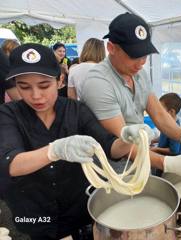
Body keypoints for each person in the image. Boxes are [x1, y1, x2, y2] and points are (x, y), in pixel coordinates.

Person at [0, 43, 153, 240]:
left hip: (77, 209)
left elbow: (109, 146)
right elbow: (10, 163)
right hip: (34, 213)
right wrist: (55, 150)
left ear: (60, 80)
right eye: (24, 87)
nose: (36, 95)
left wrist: (128, 139)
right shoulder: (9, 114)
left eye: (44, 85)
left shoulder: (76, 110)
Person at [82, 12, 181, 180]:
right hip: (113, 171)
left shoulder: (139, 73)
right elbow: (124, 143)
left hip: (143, 160)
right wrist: (168, 164)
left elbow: (159, 114)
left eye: (144, 54)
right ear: (111, 48)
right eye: (134, 55)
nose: (142, 62)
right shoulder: (97, 83)